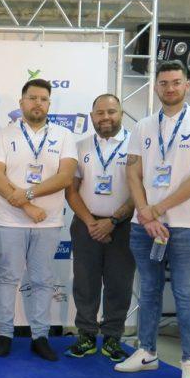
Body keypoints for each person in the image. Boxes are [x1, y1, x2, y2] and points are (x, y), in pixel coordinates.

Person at [117, 60, 190, 378]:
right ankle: (147, 351)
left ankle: (189, 362)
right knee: (149, 289)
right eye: (164, 83)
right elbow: (132, 172)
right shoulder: (143, 126)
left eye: (176, 82)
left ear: (187, 85)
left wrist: (158, 210)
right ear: (156, 87)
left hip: (185, 225)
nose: (170, 88)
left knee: (184, 292)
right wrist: (145, 213)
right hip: (144, 225)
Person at [0, 78, 77, 361]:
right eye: (33, 98)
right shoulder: (3, 135)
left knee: (42, 280)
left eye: (43, 99)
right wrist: (28, 206)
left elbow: (65, 176)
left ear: (49, 104)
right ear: (21, 102)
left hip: (47, 222)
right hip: (9, 220)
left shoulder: (64, 135)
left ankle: (40, 336)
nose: (38, 103)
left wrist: (27, 194)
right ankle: (4, 334)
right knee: (7, 278)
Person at [64, 94, 134, 362]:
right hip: (86, 224)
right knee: (85, 283)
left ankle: (113, 337)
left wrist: (112, 221)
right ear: (92, 116)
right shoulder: (80, 146)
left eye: (111, 112)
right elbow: (71, 191)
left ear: (121, 114)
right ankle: (86, 335)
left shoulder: (135, 145)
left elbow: (140, 191)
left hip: (123, 226)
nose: (106, 117)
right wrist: (92, 223)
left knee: (119, 283)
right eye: (100, 113)